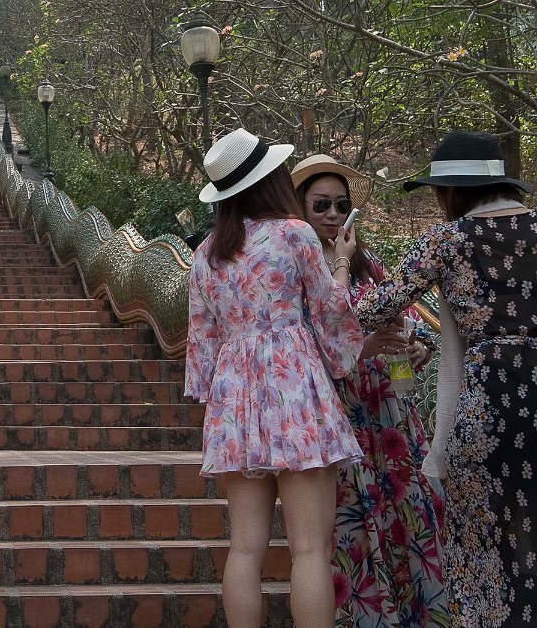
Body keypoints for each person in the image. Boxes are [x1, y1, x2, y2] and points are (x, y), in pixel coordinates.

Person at [357, 131, 536, 627]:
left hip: (489, 404)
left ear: (452, 191)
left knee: (481, 548)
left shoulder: (446, 241)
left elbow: (372, 310)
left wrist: (344, 260)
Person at [186, 128, 363, 628]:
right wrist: (342, 266)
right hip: (294, 390)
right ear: (272, 180)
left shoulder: (206, 254)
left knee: (244, 549)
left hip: (233, 398)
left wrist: (214, 404)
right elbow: (330, 312)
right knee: (310, 550)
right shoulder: (294, 235)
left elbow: (201, 343)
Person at [291, 155, 449, 627]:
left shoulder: (366, 263)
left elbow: (408, 316)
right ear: (300, 207)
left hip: (390, 413)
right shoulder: (295, 267)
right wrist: (361, 348)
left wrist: (419, 346)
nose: (333, 215)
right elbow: (300, 349)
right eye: (321, 204)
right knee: (353, 526)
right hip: (338, 415)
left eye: (342, 205)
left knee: (410, 515)